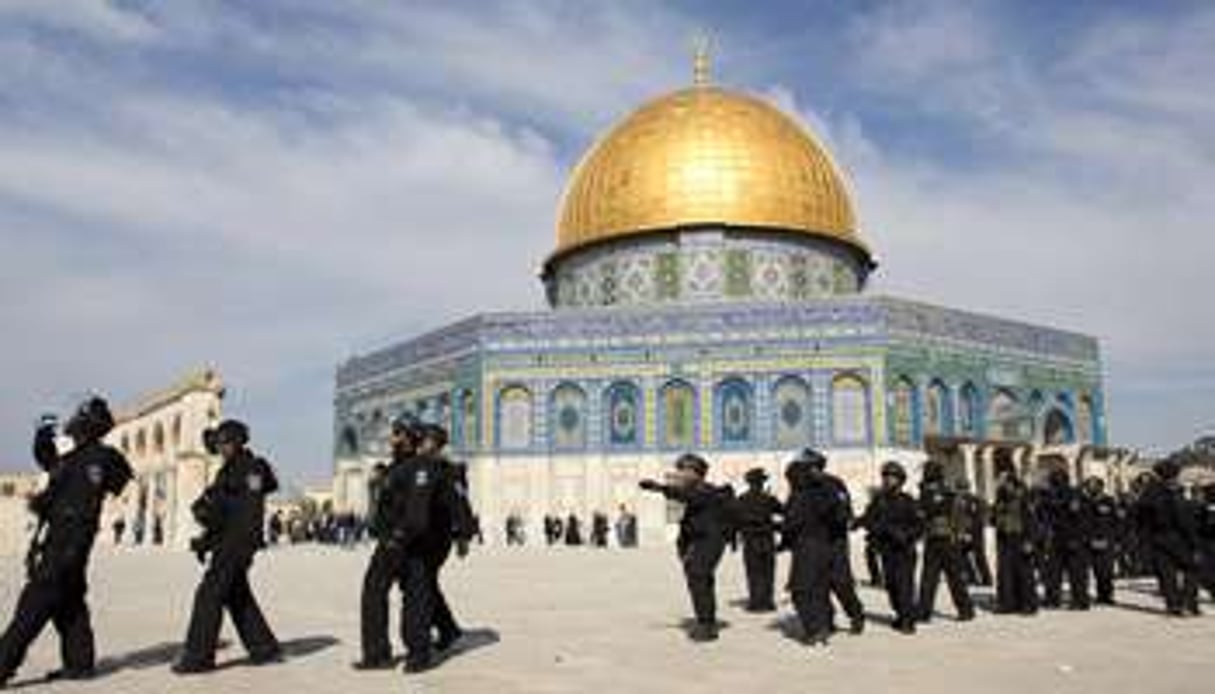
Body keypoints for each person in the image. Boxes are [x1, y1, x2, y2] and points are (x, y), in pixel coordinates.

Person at [0, 398, 133, 687]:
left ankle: (2, 664)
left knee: (33, 605)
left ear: (88, 425)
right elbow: (50, 463)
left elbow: (112, 481)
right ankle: (80, 664)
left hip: (67, 542)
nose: (72, 421)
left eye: (79, 417)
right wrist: (42, 435)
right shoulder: (78, 457)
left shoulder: (99, 458)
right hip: (66, 541)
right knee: (70, 603)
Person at [174, 420, 281, 675]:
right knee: (236, 595)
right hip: (227, 542)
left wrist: (246, 545)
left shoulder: (251, 468)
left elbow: (249, 513)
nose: (220, 448)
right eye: (218, 443)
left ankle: (198, 657)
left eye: (224, 443)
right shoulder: (228, 470)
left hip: (237, 544)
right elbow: (222, 513)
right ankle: (264, 648)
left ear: (235, 442)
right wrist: (205, 540)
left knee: (209, 595)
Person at [640, 454, 734, 642]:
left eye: (683, 470)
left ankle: (706, 626)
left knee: (699, 577)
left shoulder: (704, 490)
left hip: (710, 541)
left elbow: (686, 495)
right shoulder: (696, 490)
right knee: (700, 580)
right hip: (700, 543)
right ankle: (706, 619)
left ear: (695, 472)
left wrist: (659, 488)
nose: (680, 474)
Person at [415, 424, 476, 655]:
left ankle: (445, 629)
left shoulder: (449, 470)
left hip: (438, 537)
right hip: (422, 536)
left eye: (426, 440)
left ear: (437, 443)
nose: (421, 443)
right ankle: (447, 629)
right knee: (425, 584)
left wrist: (463, 536)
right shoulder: (422, 467)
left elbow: (461, 504)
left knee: (424, 583)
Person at [780, 450, 848, 646]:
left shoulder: (820, 488)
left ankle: (816, 629)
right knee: (818, 589)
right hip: (817, 544)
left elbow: (796, 520)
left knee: (801, 590)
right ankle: (824, 624)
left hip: (813, 544)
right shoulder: (810, 488)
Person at [1135, 459, 1201, 616]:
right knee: (1193, 568)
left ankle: (1173, 605)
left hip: (1157, 537)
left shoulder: (1148, 493)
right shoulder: (1174, 491)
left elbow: (1139, 517)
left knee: (1167, 573)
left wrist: (1145, 540)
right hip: (1178, 537)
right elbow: (1183, 519)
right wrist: (1194, 543)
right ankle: (1188, 602)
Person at [863, 462, 923, 634]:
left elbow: (919, 526)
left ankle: (908, 620)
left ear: (900, 480)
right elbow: (869, 519)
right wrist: (870, 527)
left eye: (892, 477)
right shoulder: (879, 501)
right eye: (886, 476)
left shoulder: (908, 501)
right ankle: (900, 614)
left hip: (904, 550)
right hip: (887, 550)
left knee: (905, 585)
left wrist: (905, 535)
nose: (888, 480)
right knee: (892, 586)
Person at [915, 460, 975, 623]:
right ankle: (924, 611)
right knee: (929, 578)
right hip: (934, 539)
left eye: (927, 472)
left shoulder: (943, 492)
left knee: (953, 577)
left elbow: (940, 510)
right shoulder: (928, 492)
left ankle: (965, 609)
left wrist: (961, 533)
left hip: (947, 538)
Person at [1039, 468, 1091, 610]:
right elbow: (1045, 514)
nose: (1051, 482)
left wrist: (1076, 538)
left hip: (1073, 537)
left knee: (1076, 572)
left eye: (1053, 479)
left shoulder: (1074, 494)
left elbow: (1079, 517)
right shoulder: (1050, 495)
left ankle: (1080, 600)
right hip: (1057, 537)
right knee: (1053, 571)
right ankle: (1052, 599)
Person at [991, 457, 1038, 615]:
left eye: (1001, 476)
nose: (998, 479)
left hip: (1021, 536)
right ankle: (1007, 603)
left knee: (1024, 573)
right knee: (1005, 572)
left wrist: (1030, 540)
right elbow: (995, 514)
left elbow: (1031, 519)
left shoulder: (1023, 493)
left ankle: (1028, 605)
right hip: (1004, 538)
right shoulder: (1000, 493)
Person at [735, 468, 782, 612]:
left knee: (753, 572)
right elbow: (783, 511)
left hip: (750, 540)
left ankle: (755, 602)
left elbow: (735, 519)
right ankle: (767, 602)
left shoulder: (742, 499)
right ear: (762, 483)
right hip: (767, 538)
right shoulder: (768, 498)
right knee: (768, 572)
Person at [1083, 477, 1120, 605]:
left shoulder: (1109, 501)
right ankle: (1100, 595)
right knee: (1097, 570)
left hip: (1107, 540)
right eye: (1089, 486)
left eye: (1093, 486)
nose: (1090, 488)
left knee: (1107, 571)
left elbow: (1116, 522)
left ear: (1100, 487)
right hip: (1090, 541)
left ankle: (1107, 595)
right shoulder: (1085, 502)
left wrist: (1115, 540)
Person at [956, 479, 993, 586]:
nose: (961, 492)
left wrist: (968, 532)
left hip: (974, 532)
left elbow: (976, 517)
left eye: (962, 489)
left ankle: (986, 579)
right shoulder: (966, 500)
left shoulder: (972, 501)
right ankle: (973, 578)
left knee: (979, 557)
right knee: (963, 557)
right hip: (969, 532)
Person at [854, 487, 885, 587]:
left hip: (882, 536)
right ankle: (877, 578)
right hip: (876, 536)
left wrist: (858, 523)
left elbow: (868, 518)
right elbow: (866, 517)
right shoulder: (874, 504)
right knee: (871, 554)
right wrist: (856, 523)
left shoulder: (880, 504)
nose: (870, 496)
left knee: (878, 556)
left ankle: (879, 579)